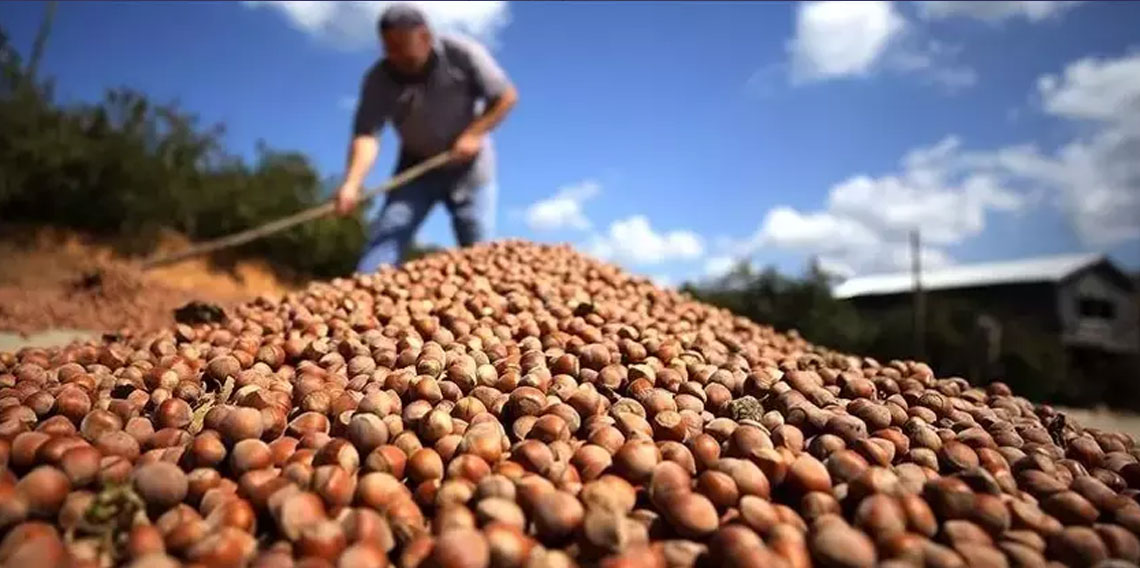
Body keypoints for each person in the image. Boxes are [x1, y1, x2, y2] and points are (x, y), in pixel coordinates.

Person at [334, 4, 518, 272]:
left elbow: (505, 96)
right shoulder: (378, 80)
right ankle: (362, 292)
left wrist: (473, 134)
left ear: (425, 37)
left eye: (403, 50)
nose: (395, 57)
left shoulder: (462, 53)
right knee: (386, 237)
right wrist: (352, 183)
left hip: (470, 168)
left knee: (478, 251)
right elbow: (367, 135)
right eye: (389, 49)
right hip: (416, 167)